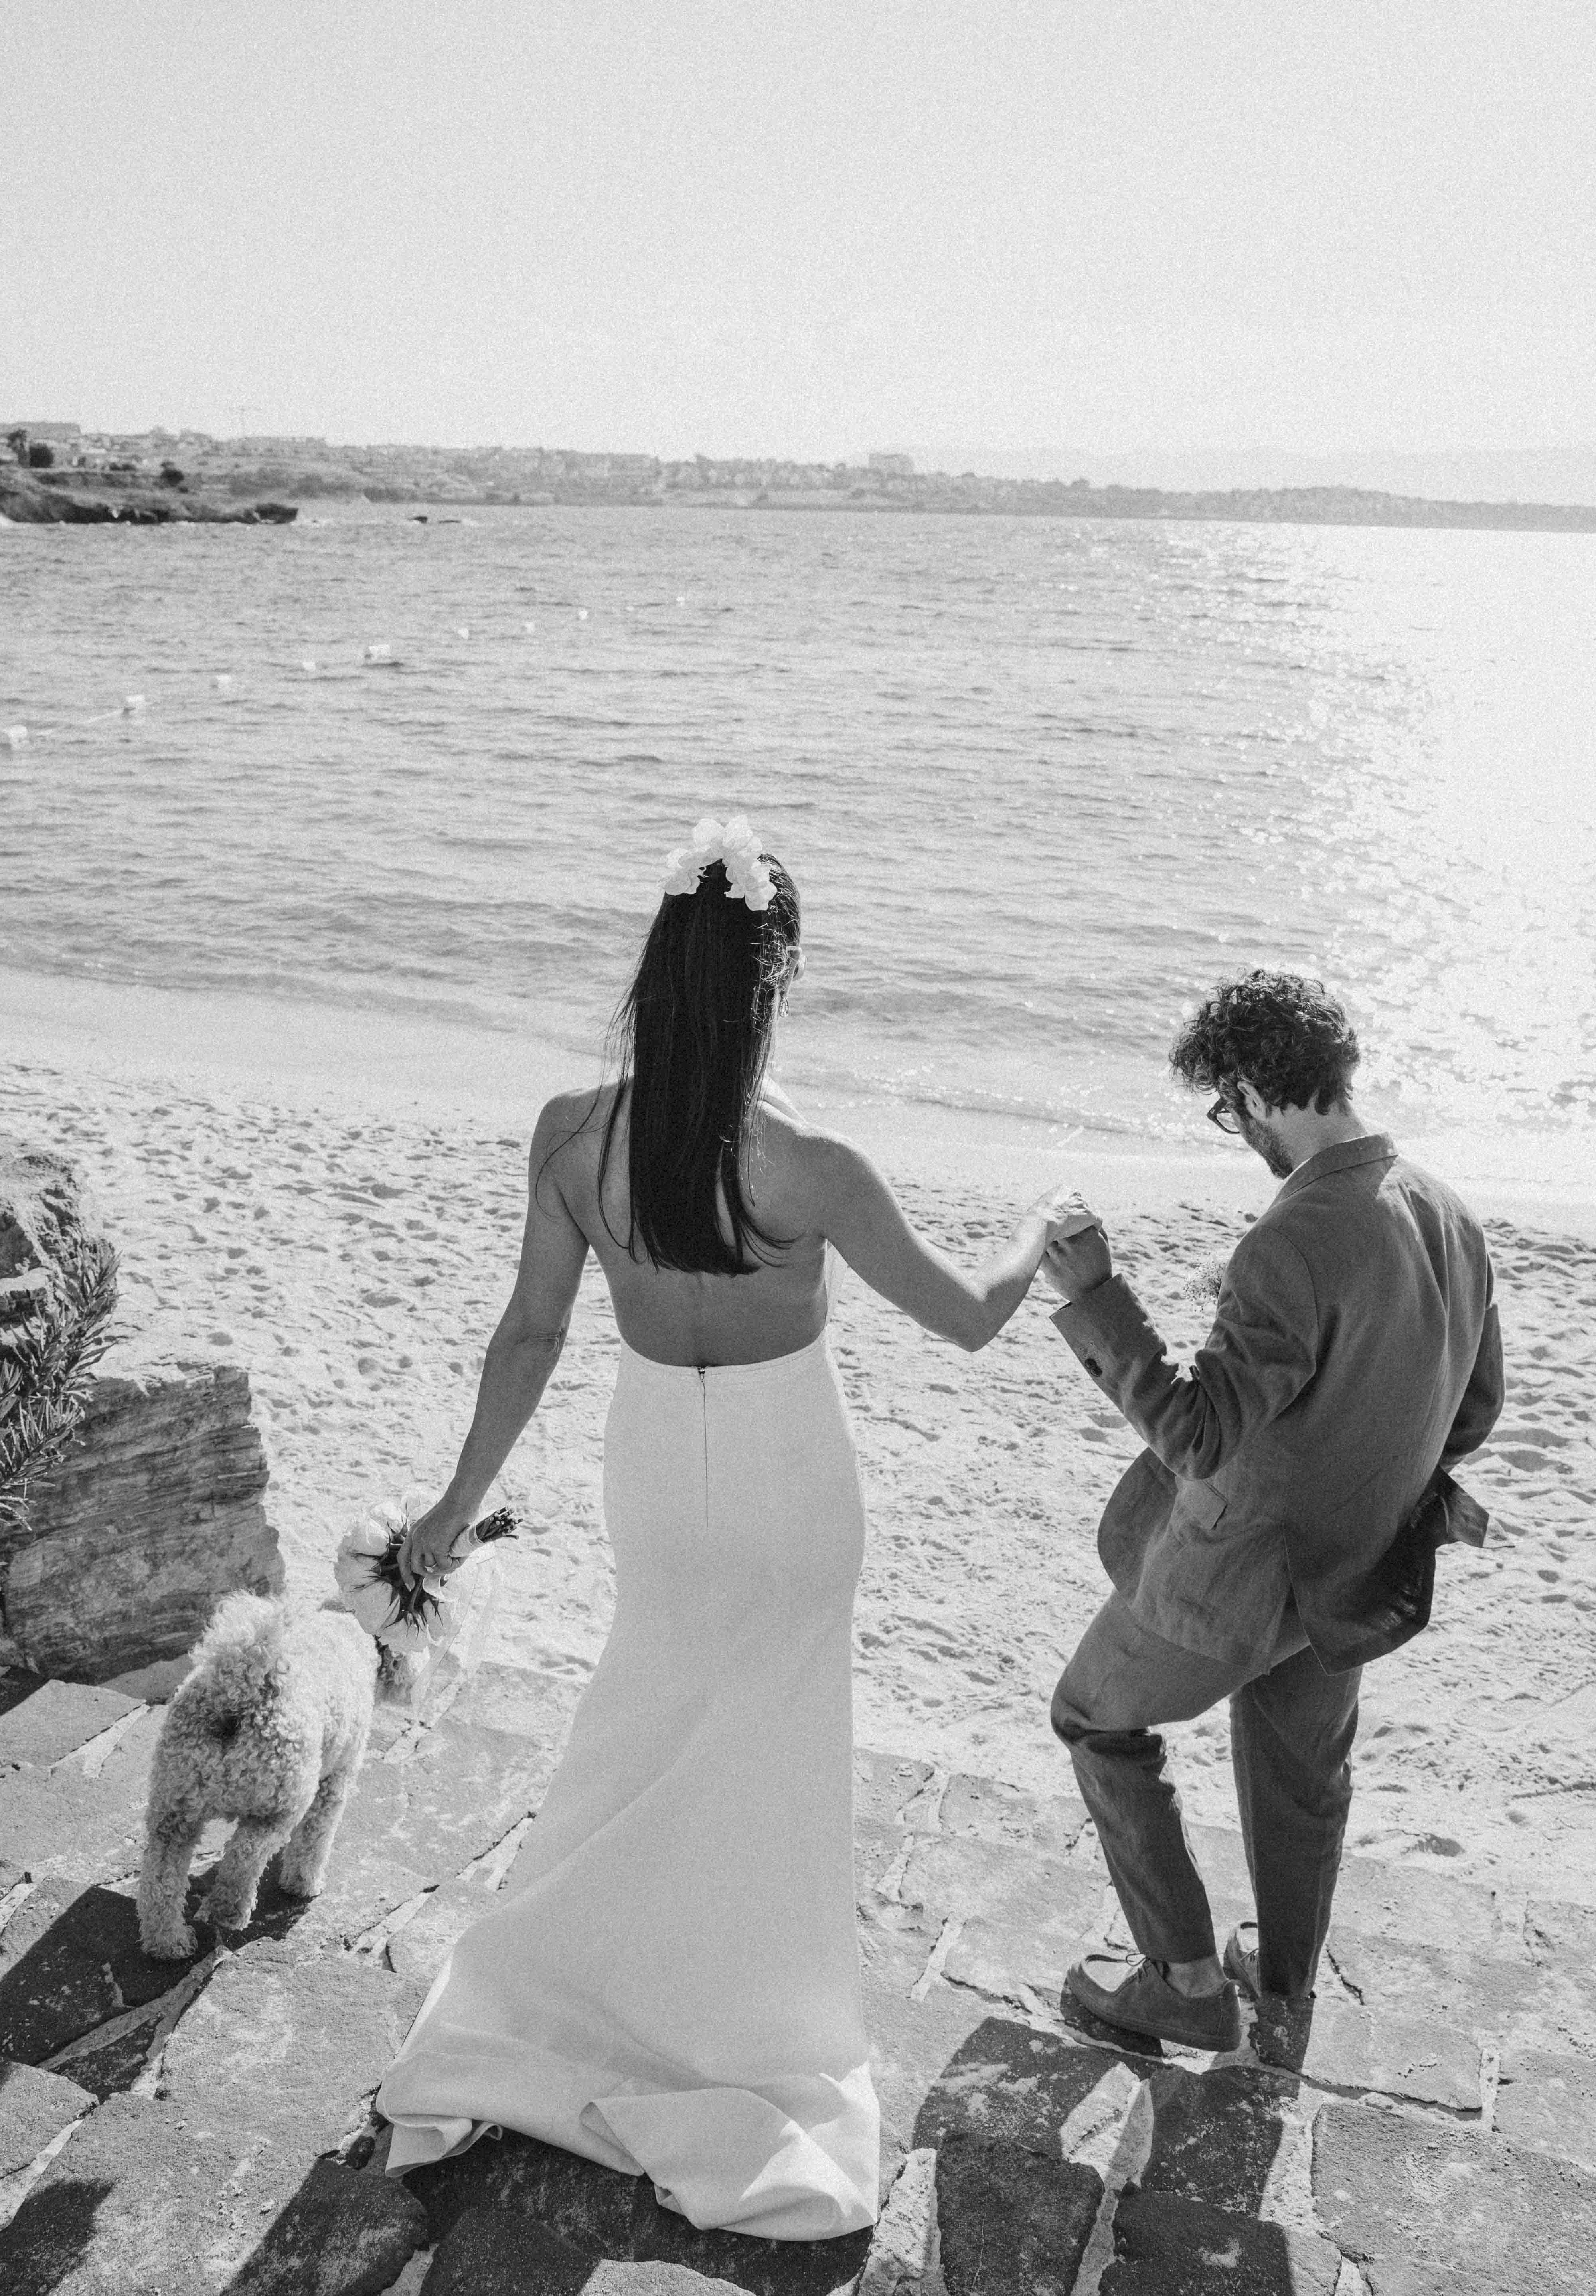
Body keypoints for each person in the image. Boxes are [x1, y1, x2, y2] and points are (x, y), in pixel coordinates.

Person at [376, 816, 1078, 2237]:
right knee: (771, 1757)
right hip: (792, 1479)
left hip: (655, 1470)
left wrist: (456, 1504)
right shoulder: (811, 1163)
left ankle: (571, 1995)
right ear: (778, 980)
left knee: (640, 1724)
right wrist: (1041, 1233)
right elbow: (968, 1317)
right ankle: (743, 2030)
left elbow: (529, 1335)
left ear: (657, 968)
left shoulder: (573, 1135)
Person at [1041, 969, 1502, 2055]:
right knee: (1302, 1775)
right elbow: (1475, 1409)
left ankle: (1185, 1982)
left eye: (1226, 1106)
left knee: (1094, 1719)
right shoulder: (1447, 1209)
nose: (1232, 1126)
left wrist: (1095, 1293)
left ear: (1253, 1090)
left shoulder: (1290, 1241)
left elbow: (1198, 1436)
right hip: (1358, 1569)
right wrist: (1362, 1473)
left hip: (1238, 1574)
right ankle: (1285, 1990)